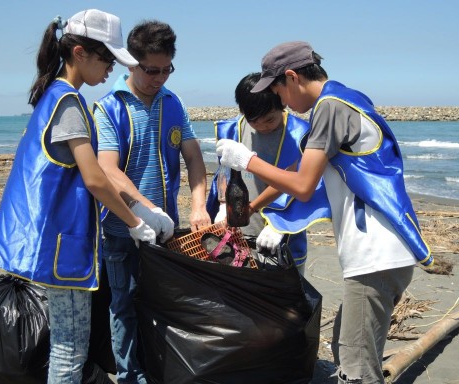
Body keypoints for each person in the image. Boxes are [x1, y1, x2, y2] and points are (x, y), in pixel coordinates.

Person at [216, 41, 433, 384]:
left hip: (374, 255)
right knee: (345, 346)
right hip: (384, 254)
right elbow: (298, 168)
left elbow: (303, 185)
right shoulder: (346, 99)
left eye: (279, 91)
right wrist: (252, 207)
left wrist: (248, 161)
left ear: (292, 77)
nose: (283, 103)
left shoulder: (329, 107)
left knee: (357, 370)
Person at [0, 10, 157, 384]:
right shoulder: (70, 103)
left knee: (68, 344)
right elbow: (94, 178)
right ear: (80, 53)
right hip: (62, 247)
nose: (110, 69)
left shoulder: (53, 95)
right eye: (106, 59)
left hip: (55, 243)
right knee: (70, 348)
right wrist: (137, 223)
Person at [93, 20, 211, 384]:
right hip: (121, 228)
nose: (159, 78)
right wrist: (144, 207)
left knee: (161, 302)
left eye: (166, 70)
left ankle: (159, 367)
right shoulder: (109, 108)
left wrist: (198, 205)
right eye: (151, 70)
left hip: (165, 230)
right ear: (131, 63)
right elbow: (108, 169)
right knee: (124, 303)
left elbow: (192, 158)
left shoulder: (173, 104)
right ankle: (130, 376)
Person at [206, 72, 327, 275]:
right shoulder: (233, 130)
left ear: (283, 103)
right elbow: (223, 171)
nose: (262, 126)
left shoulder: (302, 135)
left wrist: (279, 225)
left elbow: (307, 185)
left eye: (270, 120)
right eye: (254, 121)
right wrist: (223, 205)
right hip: (238, 231)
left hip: (282, 233)